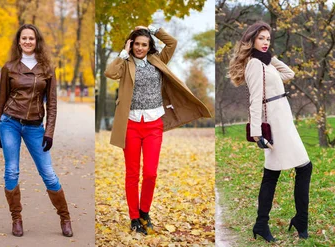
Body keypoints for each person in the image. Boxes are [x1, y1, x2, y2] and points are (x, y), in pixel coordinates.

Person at [104, 25, 212, 235]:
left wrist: (152, 29)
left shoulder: (157, 60)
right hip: (131, 124)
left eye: (144, 45)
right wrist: (123, 52)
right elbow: (110, 72)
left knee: (151, 173)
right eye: (137, 44)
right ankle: (134, 218)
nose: (140, 48)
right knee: (132, 174)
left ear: (149, 46)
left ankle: (145, 212)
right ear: (131, 44)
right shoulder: (125, 64)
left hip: (154, 123)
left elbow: (172, 42)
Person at [228, 21, 312, 242]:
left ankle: (263, 224)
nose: (265, 42)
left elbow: (289, 74)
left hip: (282, 116)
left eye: (267, 39)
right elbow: (255, 100)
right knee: (303, 167)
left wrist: (271, 57)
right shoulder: (255, 65)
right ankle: (298, 220)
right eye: (261, 38)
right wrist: (256, 133)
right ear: (252, 40)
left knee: (273, 174)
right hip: (275, 120)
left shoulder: (265, 63)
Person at [0, 24, 73, 237]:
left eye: (31, 38)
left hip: (34, 126)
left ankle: (65, 218)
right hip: (9, 122)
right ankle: (16, 219)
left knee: (48, 173)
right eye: (24, 38)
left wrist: (49, 132)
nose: (28, 41)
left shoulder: (47, 69)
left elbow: (53, 104)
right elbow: (2, 99)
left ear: (37, 41)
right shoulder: (9, 67)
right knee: (11, 171)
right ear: (19, 41)